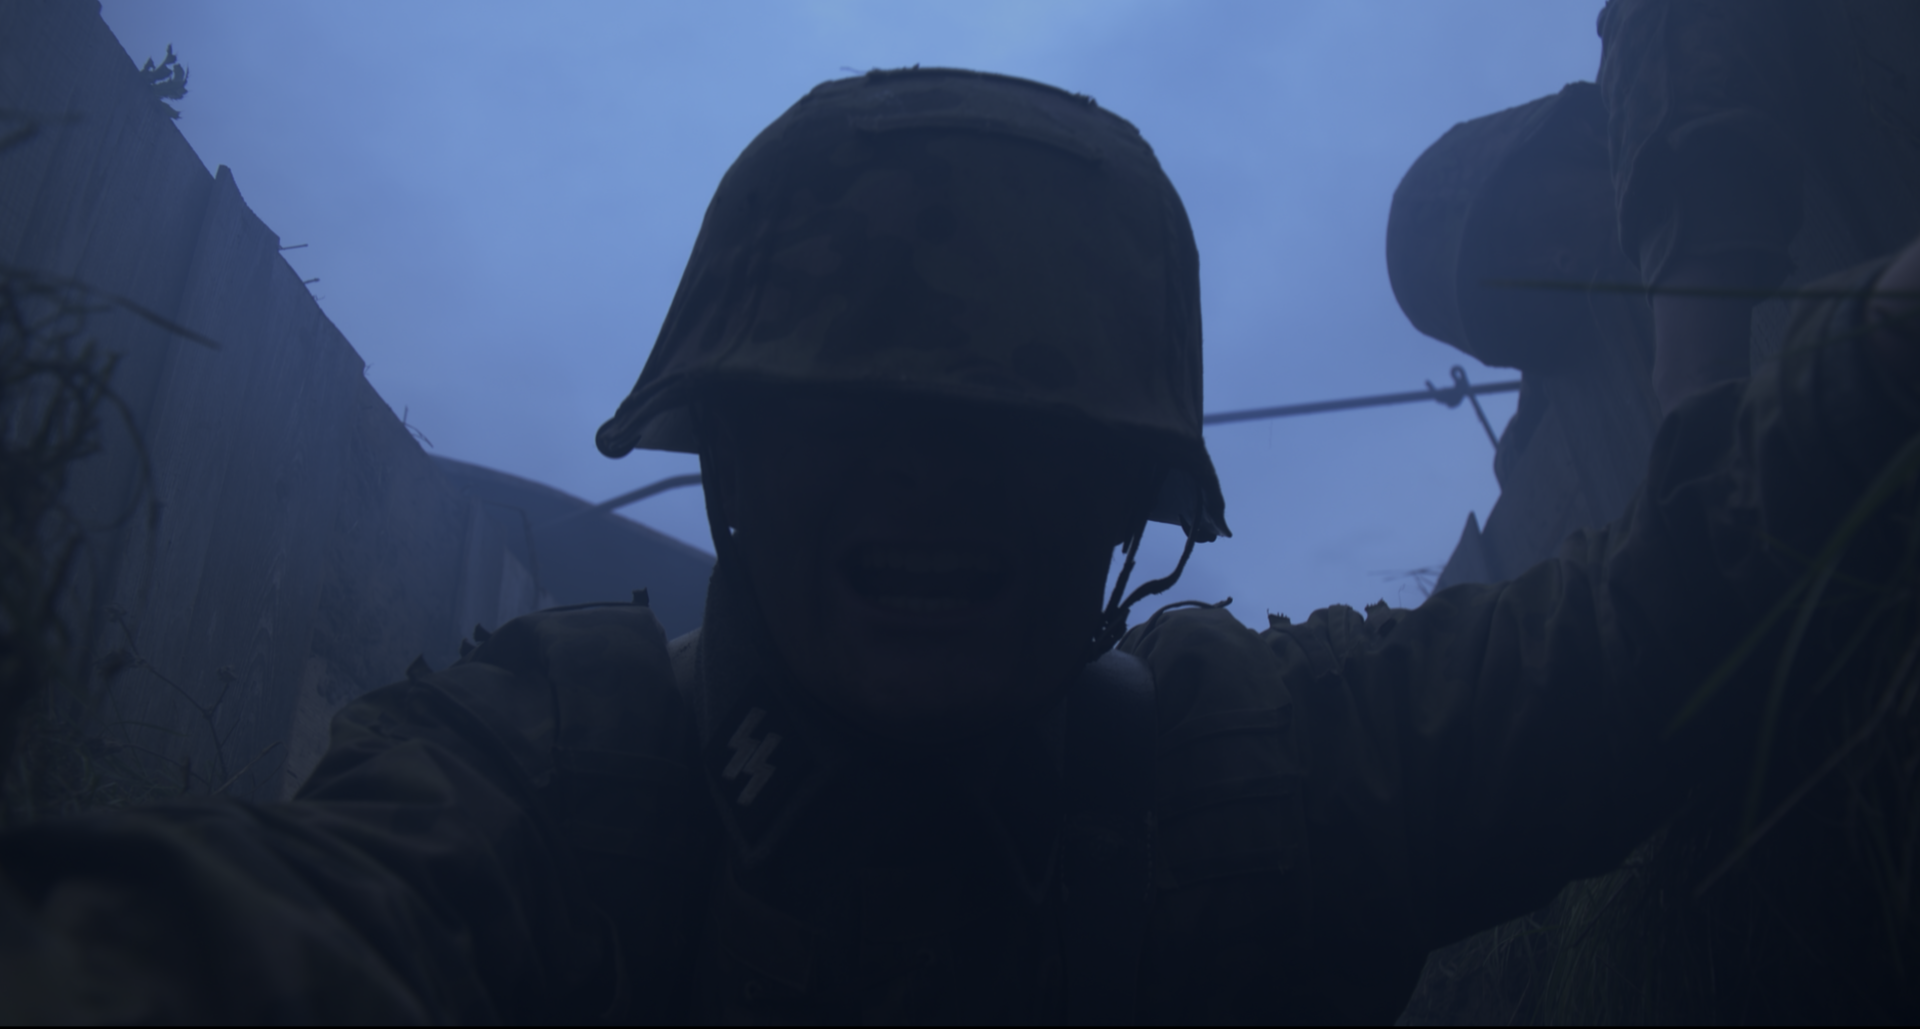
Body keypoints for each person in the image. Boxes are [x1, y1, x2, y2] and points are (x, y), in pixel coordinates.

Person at [1, 67, 1916, 1024]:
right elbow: (262, 932)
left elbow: (1642, 633)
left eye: (1013, 436)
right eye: (854, 421)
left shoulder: (1258, 773)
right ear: (737, 457)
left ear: (1120, 500)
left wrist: (1853, 383)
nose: (930, 491)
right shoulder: (537, 781)